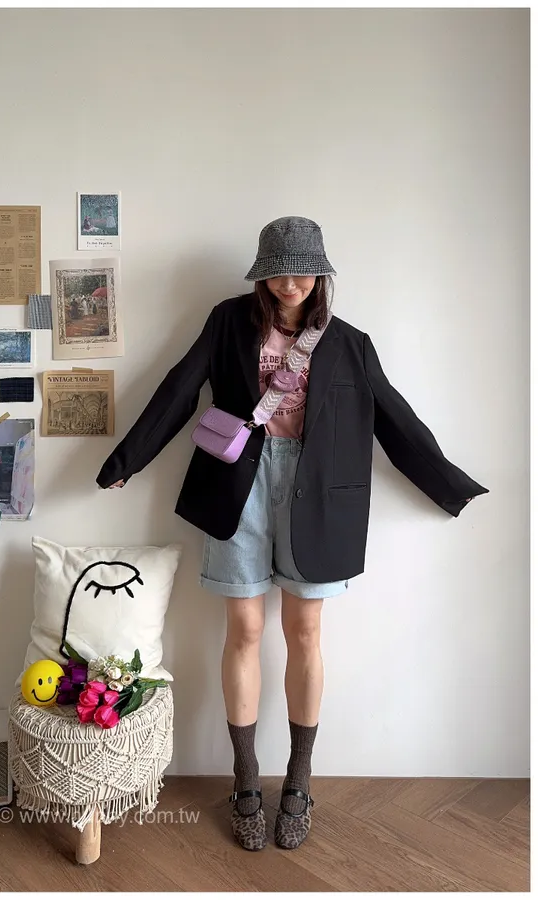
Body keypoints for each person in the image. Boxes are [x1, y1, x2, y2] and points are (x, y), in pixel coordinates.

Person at [97, 216, 486, 852]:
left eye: (302, 271)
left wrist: (447, 485)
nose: (289, 284)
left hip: (316, 495)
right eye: (277, 272)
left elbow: (393, 415)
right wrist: (128, 460)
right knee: (244, 631)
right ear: (261, 274)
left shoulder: (350, 343)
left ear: (321, 273)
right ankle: (246, 777)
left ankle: (299, 780)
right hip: (238, 486)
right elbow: (180, 387)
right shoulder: (228, 321)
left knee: (305, 633)